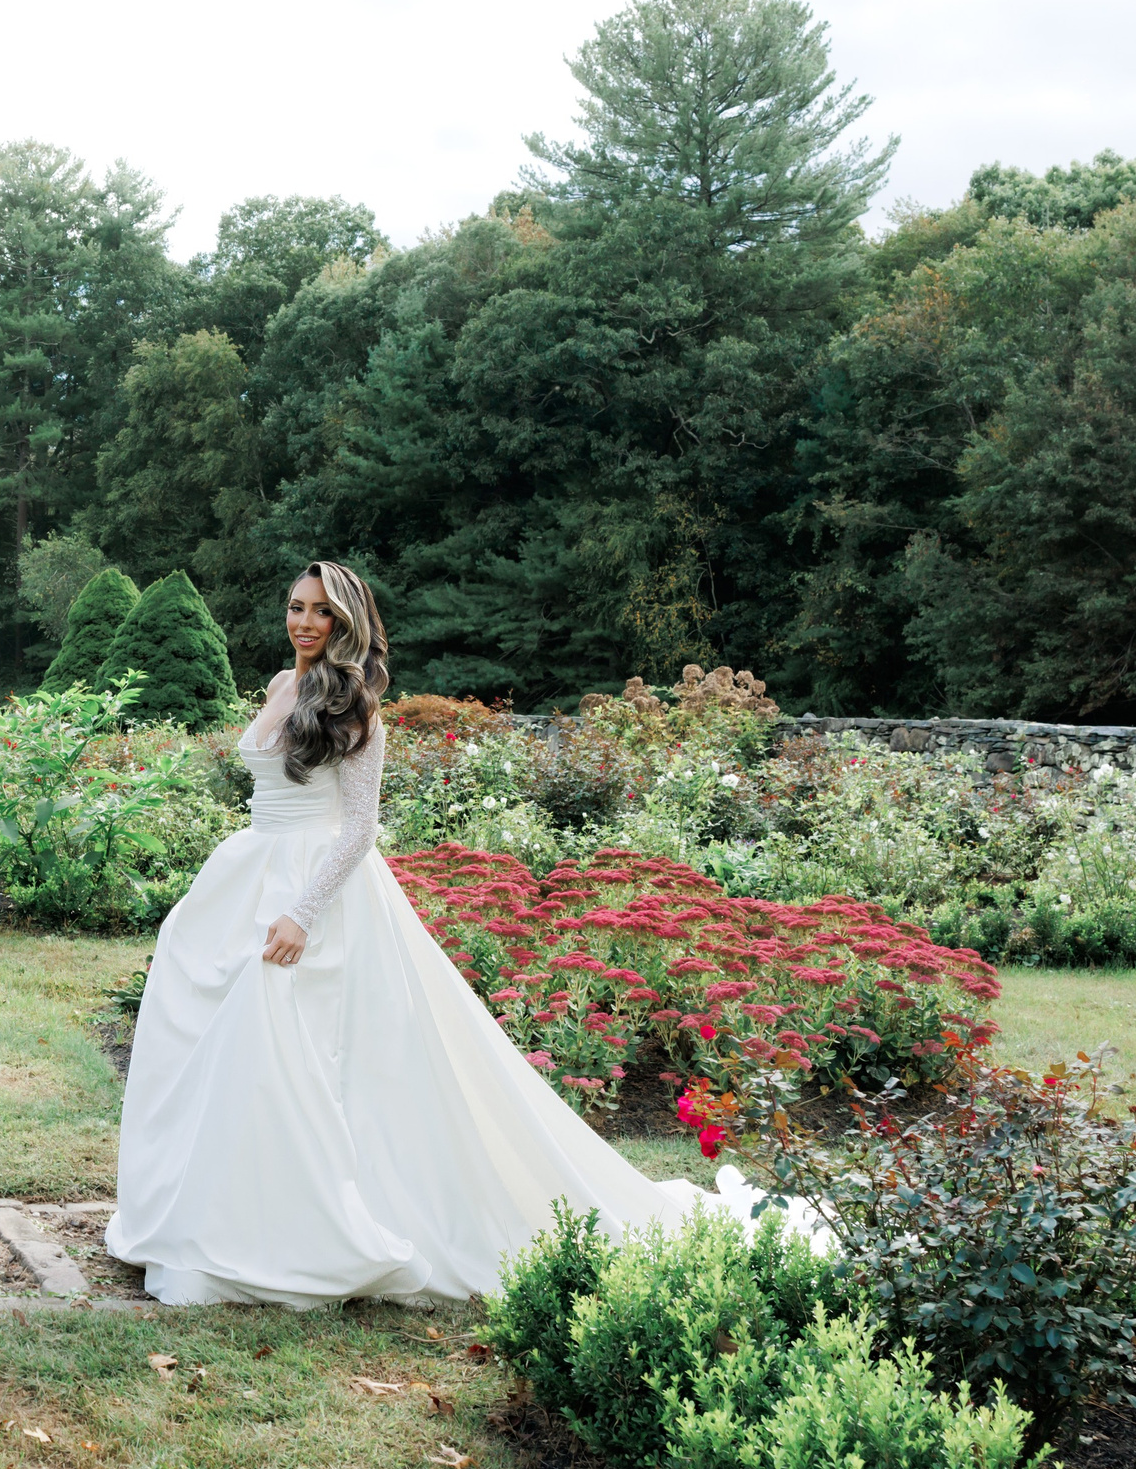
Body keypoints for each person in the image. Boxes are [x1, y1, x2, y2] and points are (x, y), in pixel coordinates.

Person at [107, 560, 743, 1306]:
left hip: (317, 891)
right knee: (226, 1047)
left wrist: (302, 914)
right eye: (296, 607)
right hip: (251, 870)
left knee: (296, 1050)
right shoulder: (282, 686)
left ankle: (306, 1231)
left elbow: (360, 831)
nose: (304, 622)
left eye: (321, 613)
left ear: (347, 623)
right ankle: (217, 1211)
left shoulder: (357, 711)